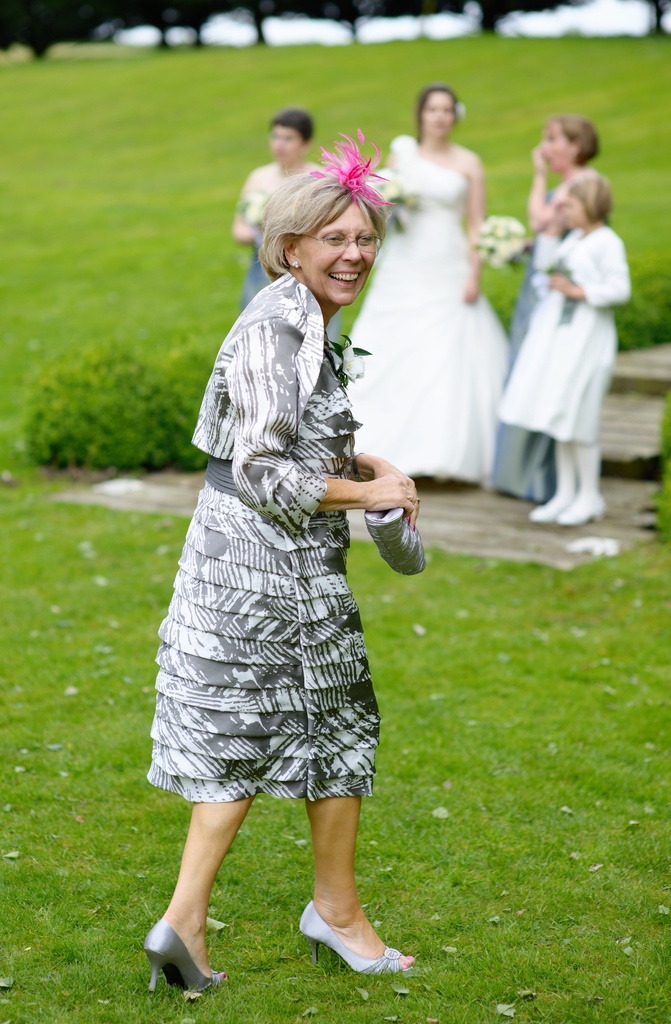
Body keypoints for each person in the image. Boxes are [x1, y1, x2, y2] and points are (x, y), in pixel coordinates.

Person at [143, 133, 419, 994]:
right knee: (329, 724)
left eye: (364, 238)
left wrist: (358, 462)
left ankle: (188, 922)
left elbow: (280, 438)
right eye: (334, 238)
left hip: (247, 557)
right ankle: (326, 915)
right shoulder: (279, 327)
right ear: (289, 247)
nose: (355, 253)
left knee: (254, 729)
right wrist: (366, 494)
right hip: (268, 571)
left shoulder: (296, 315)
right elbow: (264, 471)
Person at [348, 83, 508, 484]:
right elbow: (379, 208)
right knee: (396, 347)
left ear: (456, 116)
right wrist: (394, 200)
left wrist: (474, 273)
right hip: (407, 263)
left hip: (449, 262)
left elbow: (475, 223)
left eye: (446, 110)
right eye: (432, 109)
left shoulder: (469, 163)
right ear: (421, 114)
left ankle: (440, 453)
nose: (439, 117)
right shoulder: (404, 155)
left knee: (445, 353)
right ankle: (379, 453)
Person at [499, 174, 630, 526]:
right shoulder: (574, 238)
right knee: (560, 414)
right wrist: (554, 227)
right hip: (563, 340)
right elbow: (545, 265)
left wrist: (579, 291)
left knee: (580, 418)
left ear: (589, 205)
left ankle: (590, 495)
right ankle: (566, 493)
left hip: (588, 338)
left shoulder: (607, 242)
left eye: (569, 205)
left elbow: (620, 289)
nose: (564, 210)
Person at [492, 114, 600, 502]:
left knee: (539, 372)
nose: (545, 147)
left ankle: (539, 478)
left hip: (556, 296)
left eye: (552, 139)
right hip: (540, 287)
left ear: (575, 145)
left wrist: (538, 174)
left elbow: (541, 220)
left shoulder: (584, 184)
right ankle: (521, 474)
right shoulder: (572, 183)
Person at [232, 107, 316, 310]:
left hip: (309, 266)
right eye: (275, 137)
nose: (280, 144)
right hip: (264, 266)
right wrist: (262, 232)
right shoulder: (258, 178)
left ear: (306, 144)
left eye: (288, 138)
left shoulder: (318, 178)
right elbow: (239, 230)